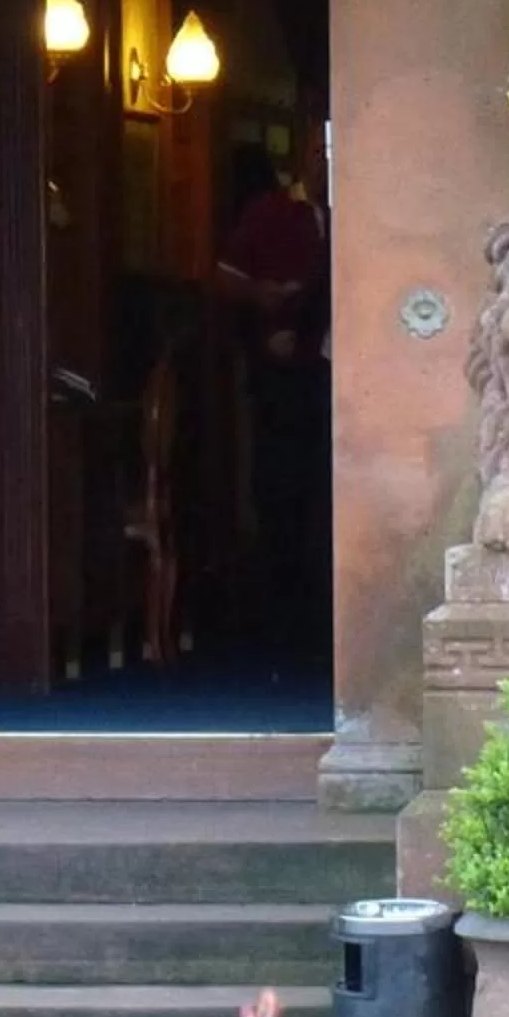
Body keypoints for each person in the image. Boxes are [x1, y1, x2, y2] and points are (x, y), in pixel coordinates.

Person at [215, 149, 331, 674]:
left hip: (347, 376)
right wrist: (268, 300)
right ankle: (287, 626)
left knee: (331, 498)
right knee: (284, 494)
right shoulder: (269, 212)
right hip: (286, 377)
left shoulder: (353, 212)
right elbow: (225, 279)